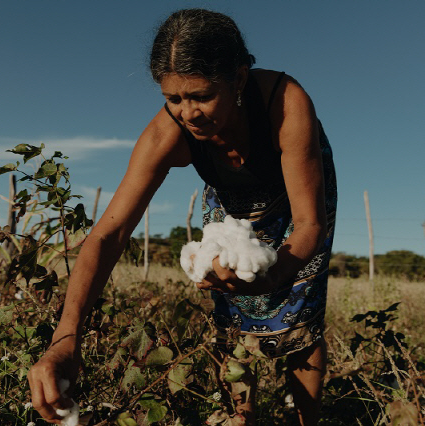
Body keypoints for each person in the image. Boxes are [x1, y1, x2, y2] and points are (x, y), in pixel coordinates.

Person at [28, 8, 337, 426]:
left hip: (298, 196)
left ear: (239, 79)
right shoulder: (169, 133)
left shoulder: (285, 103)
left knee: (299, 308)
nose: (188, 112)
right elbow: (109, 234)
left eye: (202, 96)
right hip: (231, 202)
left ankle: (307, 420)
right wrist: (66, 338)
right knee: (231, 308)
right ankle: (240, 417)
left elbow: (310, 225)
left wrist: (275, 273)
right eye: (173, 98)